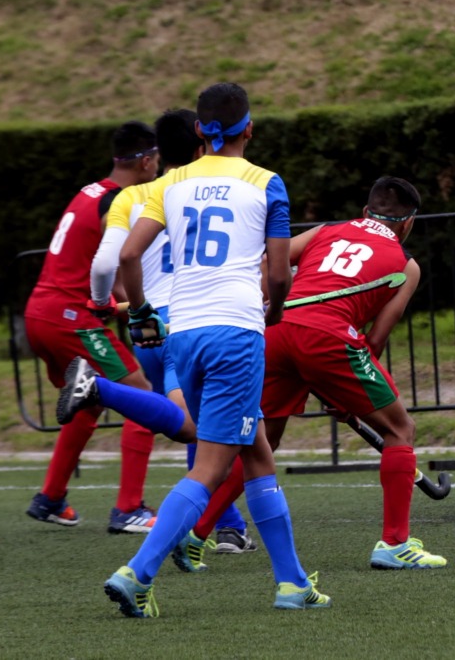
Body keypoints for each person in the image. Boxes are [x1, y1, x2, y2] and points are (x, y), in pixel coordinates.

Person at [103, 82, 329, 618]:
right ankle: (137, 572)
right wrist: (271, 313)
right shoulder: (267, 183)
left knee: (255, 453)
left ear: (200, 130)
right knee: (209, 467)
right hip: (235, 333)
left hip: (184, 333)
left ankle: (293, 583)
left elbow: (129, 256)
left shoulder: (170, 181)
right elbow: (277, 272)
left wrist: (138, 315)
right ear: (249, 128)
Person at [177, 175, 445, 572]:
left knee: (258, 442)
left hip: (277, 331)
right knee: (399, 430)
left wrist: (270, 311)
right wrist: (342, 391)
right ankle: (395, 544)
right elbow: (375, 340)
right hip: (330, 339)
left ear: (365, 212)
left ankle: (194, 534)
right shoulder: (407, 266)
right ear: (408, 224)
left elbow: (270, 263)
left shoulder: (328, 230)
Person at [81, 108, 255, 552]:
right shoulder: (214, 186)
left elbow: (106, 262)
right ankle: (99, 390)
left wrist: (106, 304)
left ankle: (224, 524)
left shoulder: (131, 196)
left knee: (196, 427)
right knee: (205, 427)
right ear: (202, 142)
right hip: (195, 321)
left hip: (148, 332)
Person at [23, 121, 170, 534]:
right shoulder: (120, 199)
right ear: (144, 161)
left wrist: (124, 305)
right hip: (70, 318)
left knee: (88, 402)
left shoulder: (91, 190)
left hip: (40, 313)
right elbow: (110, 266)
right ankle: (129, 509)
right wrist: (134, 308)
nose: (157, 168)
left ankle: (50, 497)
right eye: (156, 160)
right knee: (143, 393)